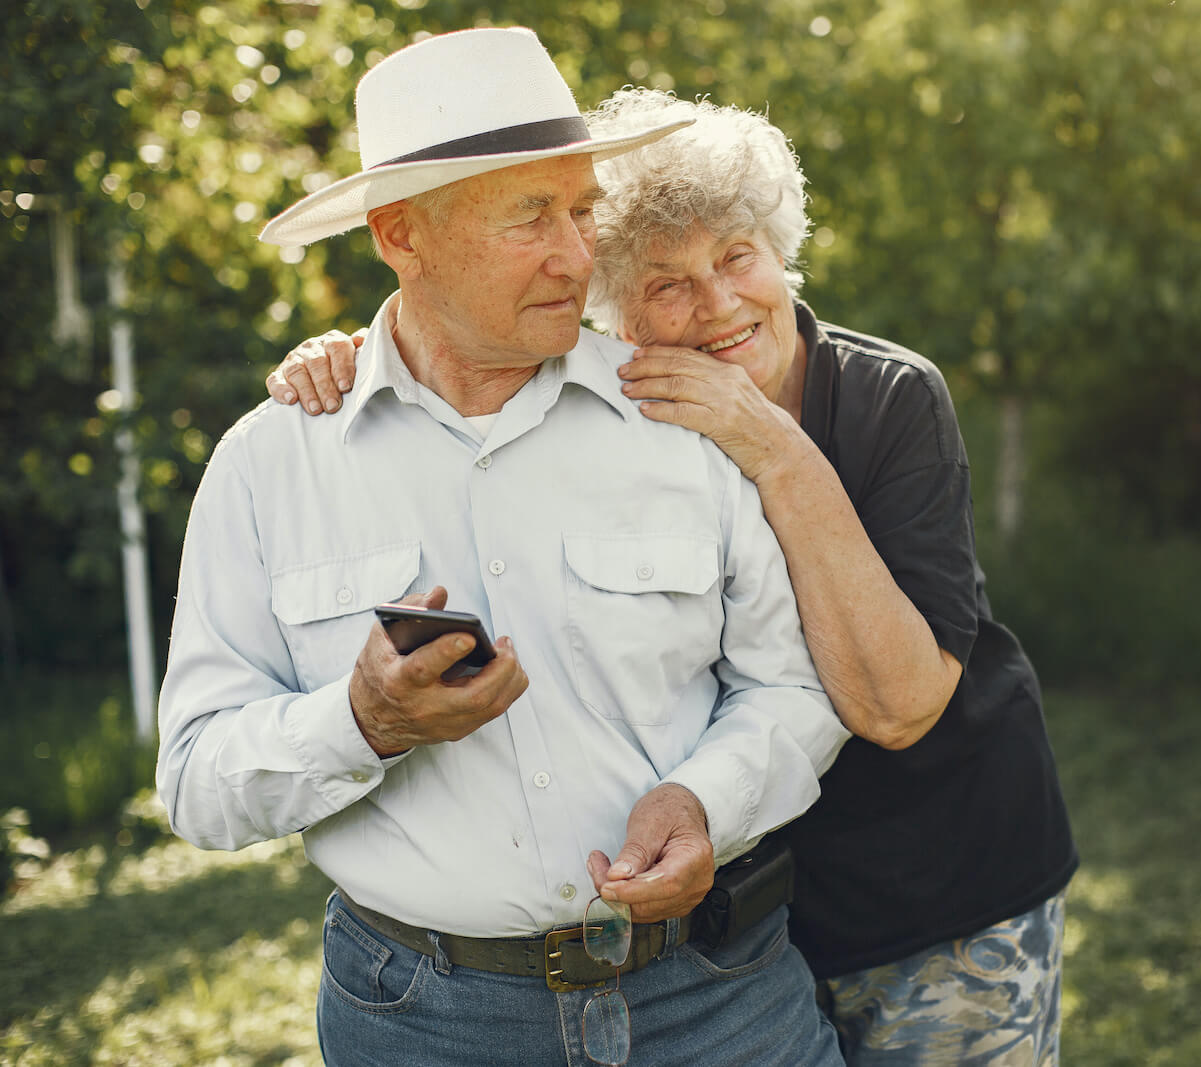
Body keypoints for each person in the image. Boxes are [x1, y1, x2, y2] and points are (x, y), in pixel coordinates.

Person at [271, 90, 1079, 1065]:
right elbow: (463, 352)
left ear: (778, 246)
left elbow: (901, 706)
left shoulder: (886, 398)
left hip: (942, 892)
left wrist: (772, 447)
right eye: (667, 283)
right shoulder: (626, 410)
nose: (720, 303)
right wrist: (365, 357)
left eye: (736, 255)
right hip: (743, 925)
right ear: (610, 308)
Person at [157, 29, 853, 1067]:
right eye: (531, 215)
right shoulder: (270, 465)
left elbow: (795, 685)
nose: (578, 254)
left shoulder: (680, 415)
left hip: (718, 1000)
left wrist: (705, 798)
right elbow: (196, 781)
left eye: (580, 208)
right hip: (422, 1023)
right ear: (402, 233)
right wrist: (362, 722)